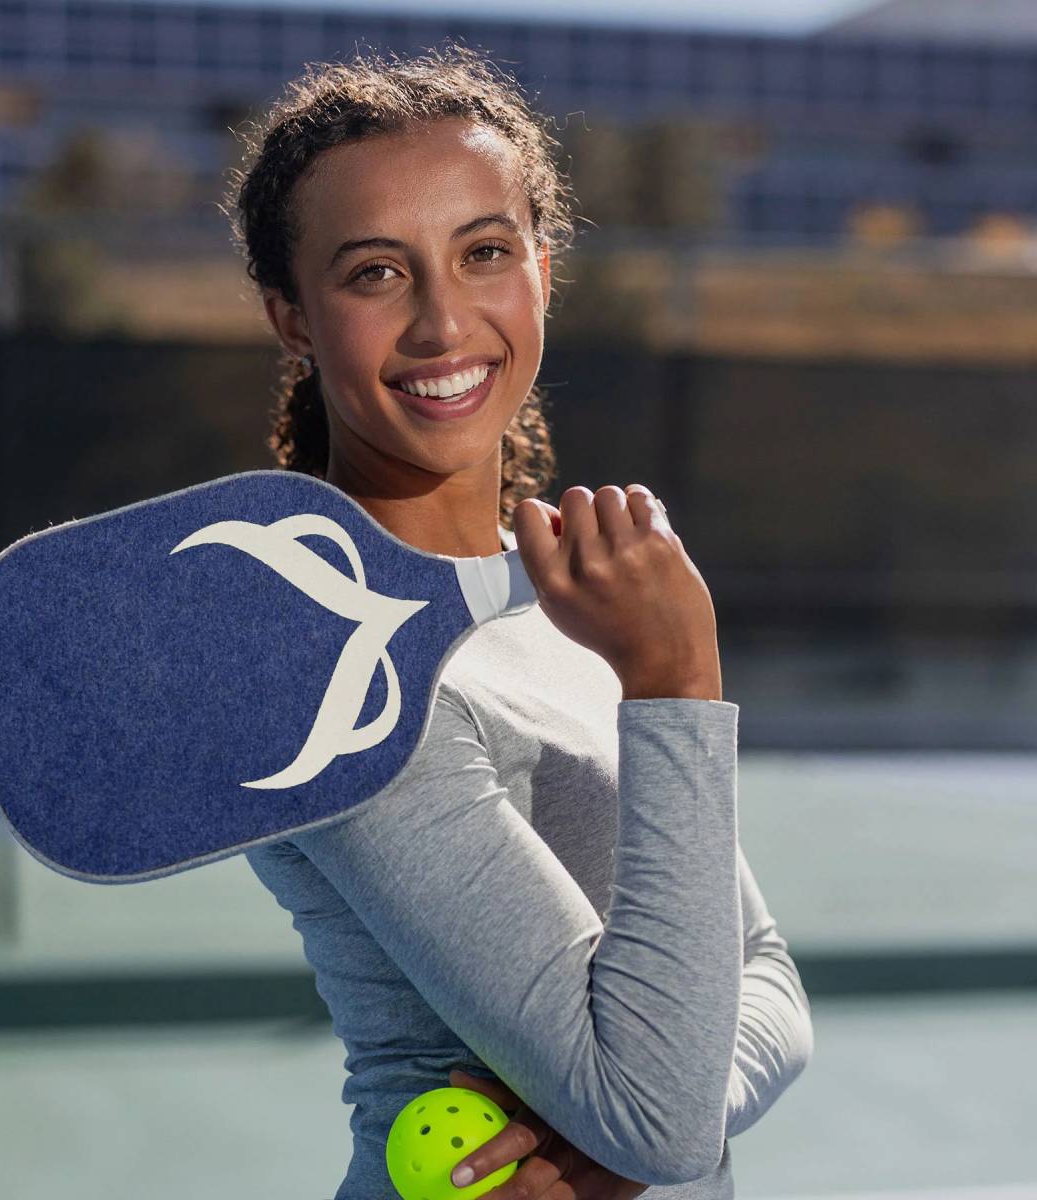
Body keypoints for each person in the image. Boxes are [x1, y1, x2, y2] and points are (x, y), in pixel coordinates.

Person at [222, 42, 813, 1199]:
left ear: (542, 269)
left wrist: (628, 1123)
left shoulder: (562, 604)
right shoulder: (325, 670)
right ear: (293, 318)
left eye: (483, 252)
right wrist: (677, 681)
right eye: (376, 273)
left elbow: (770, 982)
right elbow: (660, 1117)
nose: (444, 322)